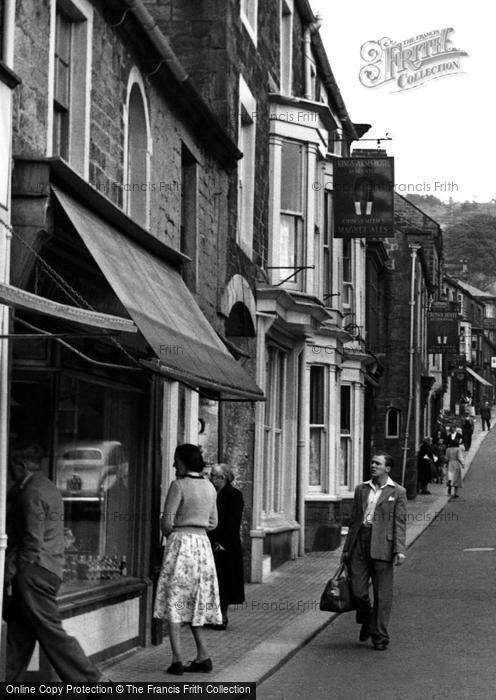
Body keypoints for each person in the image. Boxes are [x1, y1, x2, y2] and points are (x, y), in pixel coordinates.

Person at [5, 445, 107, 682]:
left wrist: (16, 569)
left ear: (20, 466)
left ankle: (92, 681)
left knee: (51, 631)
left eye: (12, 467)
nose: (11, 472)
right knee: (20, 634)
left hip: (34, 571)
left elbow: (32, 538)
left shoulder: (31, 491)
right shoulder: (48, 487)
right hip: (48, 568)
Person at [153, 444, 221, 675]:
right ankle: (203, 655)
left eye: (176, 460)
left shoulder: (178, 486)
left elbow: (166, 523)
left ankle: (177, 659)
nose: (174, 464)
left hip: (181, 544)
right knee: (197, 600)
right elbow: (213, 523)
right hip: (202, 546)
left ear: (183, 462)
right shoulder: (210, 487)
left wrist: (172, 531)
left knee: (175, 599)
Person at [341, 452, 407, 651]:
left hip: (383, 546)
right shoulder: (361, 489)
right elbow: (354, 521)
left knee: (382, 595)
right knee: (358, 590)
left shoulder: (398, 492)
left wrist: (399, 550)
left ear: (387, 468)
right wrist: (346, 550)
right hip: (360, 543)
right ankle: (369, 619)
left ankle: (380, 636)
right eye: (372, 462)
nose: (372, 465)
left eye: (377, 463)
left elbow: (399, 523)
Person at [208, 464, 245, 630]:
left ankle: (222, 616)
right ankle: (211, 615)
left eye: (214, 476)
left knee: (225, 582)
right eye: (211, 475)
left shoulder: (234, 495)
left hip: (226, 546)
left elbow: (233, 522)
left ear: (223, 478)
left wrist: (222, 543)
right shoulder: (210, 493)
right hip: (210, 542)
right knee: (213, 581)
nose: (211, 479)